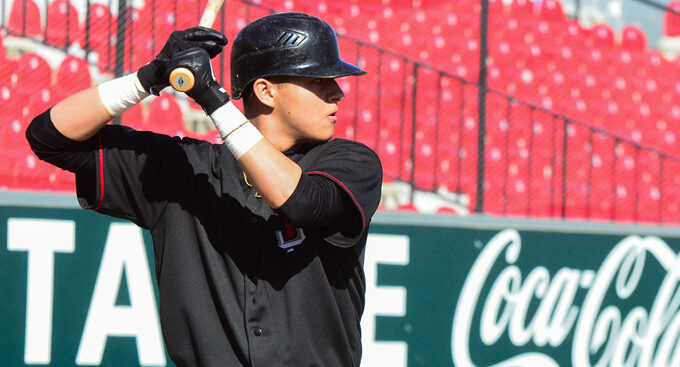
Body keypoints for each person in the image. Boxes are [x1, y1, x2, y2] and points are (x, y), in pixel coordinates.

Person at [26, 12, 382, 367]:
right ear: (265, 91)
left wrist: (212, 98)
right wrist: (148, 77)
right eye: (318, 80)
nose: (337, 92)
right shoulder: (185, 170)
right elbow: (50, 138)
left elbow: (302, 203)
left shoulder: (350, 162)